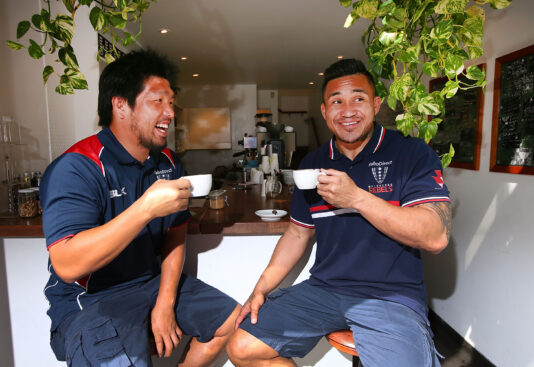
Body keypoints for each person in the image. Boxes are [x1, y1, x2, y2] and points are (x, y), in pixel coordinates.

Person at [226, 58, 452, 367]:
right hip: (325, 289)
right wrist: (261, 287)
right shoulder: (312, 164)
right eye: (336, 101)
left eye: (358, 99)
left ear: (375, 104)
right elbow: (297, 232)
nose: (347, 111)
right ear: (324, 111)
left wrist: (357, 198)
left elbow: (436, 236)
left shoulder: (411, 153)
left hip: (391, 297)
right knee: (241, 347)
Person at [40, 49, 240, 366]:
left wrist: (165, 300)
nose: (170, 112)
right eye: (157, 101)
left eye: (171, 102)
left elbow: (176, 233)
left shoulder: (169, 162)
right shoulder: (78, 166)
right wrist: (144, 208)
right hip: (92, 300)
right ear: (120, 105)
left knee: (235, 323)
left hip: (151, 283)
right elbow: (67, 264)